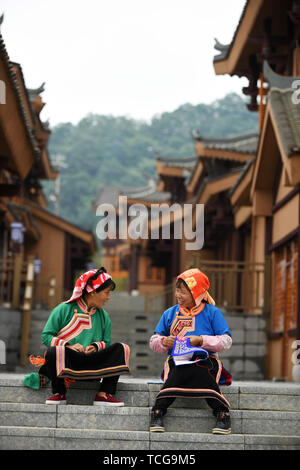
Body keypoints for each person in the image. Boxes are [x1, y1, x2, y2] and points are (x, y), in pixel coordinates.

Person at [149, 268, 232, 434]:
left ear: (197, 293)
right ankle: (158, 411)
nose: (178, 295)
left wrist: (201, 340)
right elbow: (153, 340)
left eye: (184, 292)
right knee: (178, 370)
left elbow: (226, 341)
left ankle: (222, 413)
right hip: (177, 361)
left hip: (206, 360)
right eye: (177, 290)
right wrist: (164, 341)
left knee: (202, 371)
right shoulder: (170, 313)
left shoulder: (212, 313)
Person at [35, 267, 130, 406]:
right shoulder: (63, 309)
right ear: (93, 292)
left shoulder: (104, 316)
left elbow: (107, 342)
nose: (108, 297)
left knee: (122, 348)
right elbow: (46, 336)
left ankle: (103, 394)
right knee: (52, 352)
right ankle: (59, 393)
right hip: (69, 363)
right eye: (106, 293)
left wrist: (94, 347)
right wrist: (69, 346)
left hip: (92, 364)